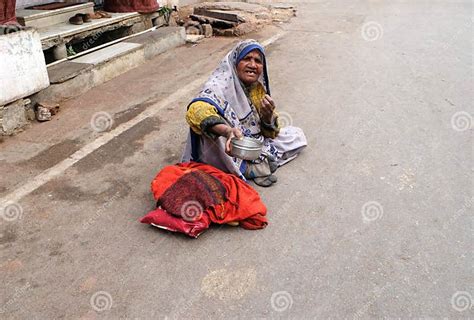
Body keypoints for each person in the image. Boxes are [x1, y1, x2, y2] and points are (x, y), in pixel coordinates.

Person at [182, 39, 307, 187]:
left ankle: (256, 163)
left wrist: (267, 118)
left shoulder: (256, 89)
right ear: (235, 62)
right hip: (227, 144)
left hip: (249, 142)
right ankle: (249, 168)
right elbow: (196, 110)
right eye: (247, 59)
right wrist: (227, 131)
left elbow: (271, 133)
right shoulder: (219, 84)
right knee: (215, 133)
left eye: (258, 61)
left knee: (296, 135)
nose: (253, 65)